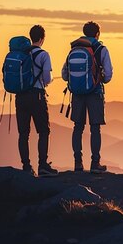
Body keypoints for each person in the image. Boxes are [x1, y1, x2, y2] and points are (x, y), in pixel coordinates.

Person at [62, 21, 113, 173]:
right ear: (98, 34)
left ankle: (78, 162)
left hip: (77, 93)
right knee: (95, 128)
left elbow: (65, 74)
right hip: (95, 92)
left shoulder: (74, 48)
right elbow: (108, 75)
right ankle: (95, 163)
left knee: (78, 127)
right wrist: (100, 78)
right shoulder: (101, 49)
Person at [15, 25, 58, 177]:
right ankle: (43, 166)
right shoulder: (43, 55)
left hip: (20, 97)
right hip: (37, 96)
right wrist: (48, 81)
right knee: (43, 131)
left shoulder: (21, 54)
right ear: (41, 38)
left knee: (23, 133)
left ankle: (26, 166)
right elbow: (47, 78)